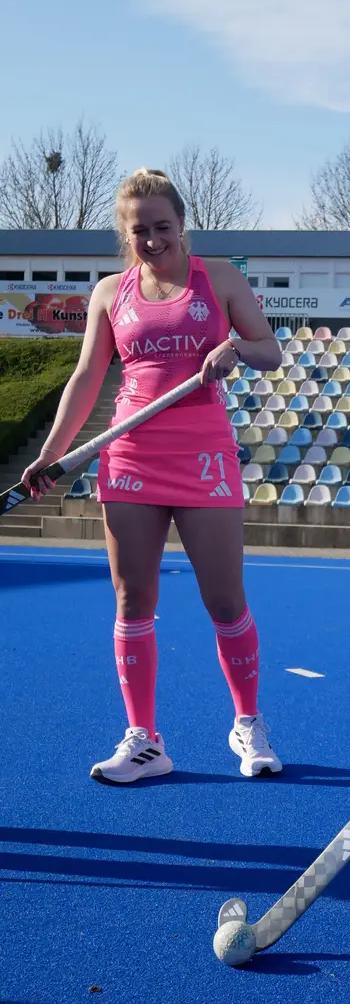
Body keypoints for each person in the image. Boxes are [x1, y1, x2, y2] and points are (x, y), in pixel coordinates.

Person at [22, 168, 284, 785]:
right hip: (130, 455)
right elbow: (87, 377)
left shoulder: (219, 278)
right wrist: (52, 454)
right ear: (126, 234)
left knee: (225, 600)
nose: (153, 240)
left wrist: (236, 349)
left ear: (182, 224)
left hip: (204, 455)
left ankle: (247, 723)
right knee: (133, 599)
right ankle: (144, 740)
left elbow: (270, 350)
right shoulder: (110, 292)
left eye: (163, 226)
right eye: (140, 231)